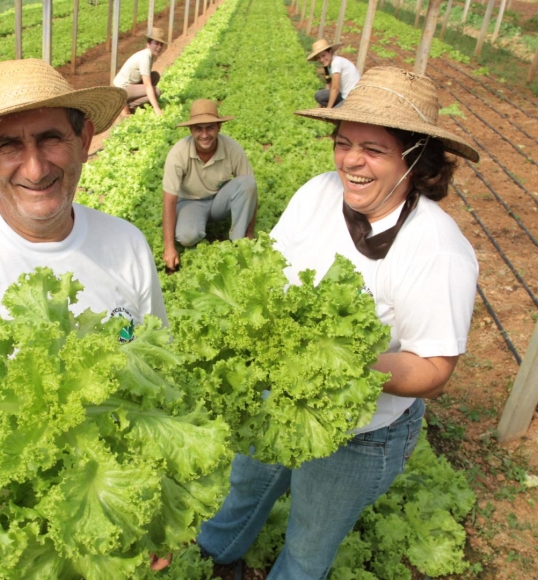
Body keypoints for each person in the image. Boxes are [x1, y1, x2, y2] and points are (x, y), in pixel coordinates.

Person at [196, 67, 480, 578]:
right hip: (278, 394)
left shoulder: (436, 248)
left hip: (362, 432)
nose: (351, 160)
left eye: (373, 148)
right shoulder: (318, 194)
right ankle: (214, 559)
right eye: (344, 142)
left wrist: (341, 363)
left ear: (415, 156)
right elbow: (270, 270)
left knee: (307, 546)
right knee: (244, 489)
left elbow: (435, 367)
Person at [0, 58, 168, 364]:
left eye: (50, 139)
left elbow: (153, 361)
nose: (35, 171)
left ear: (84, 141)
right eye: (9, 145)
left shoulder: (128, 244)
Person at [162, 99, 258, 271]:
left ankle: (239, 242)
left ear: (218, 128)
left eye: (210, 128)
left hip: (219, 200)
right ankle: (196, 224)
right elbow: (169, 200)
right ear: (191, 130)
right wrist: (169, 248)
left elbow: (250, 190)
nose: (204, 135)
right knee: (187, 236)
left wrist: (249, 233)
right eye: (198, 128)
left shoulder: (232, 149)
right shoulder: (178, 154)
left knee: (248, 182)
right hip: (190, 202)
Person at [113, 26, 167, 116]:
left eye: (161, 44)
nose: (159, 47)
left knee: (155, 76)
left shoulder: (148, 55)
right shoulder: (145, 57)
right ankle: (126, 105)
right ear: (148, 44)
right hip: (121, 89)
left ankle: (130, 102)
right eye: (156, 43)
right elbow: (147, 85)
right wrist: (157, 108)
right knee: (156, 91)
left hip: (128, 85)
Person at [307, 38, 360, 109]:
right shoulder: (329, 65)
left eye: (323, 55)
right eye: (319, 58)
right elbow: (329, 84)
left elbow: (335, 88)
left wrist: (328, 108)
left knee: (333, 116)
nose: (322, 60)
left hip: (352, 98)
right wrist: (319, 106)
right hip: (343, 94)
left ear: (330, 52)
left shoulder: (336, 63)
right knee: (319, 95)